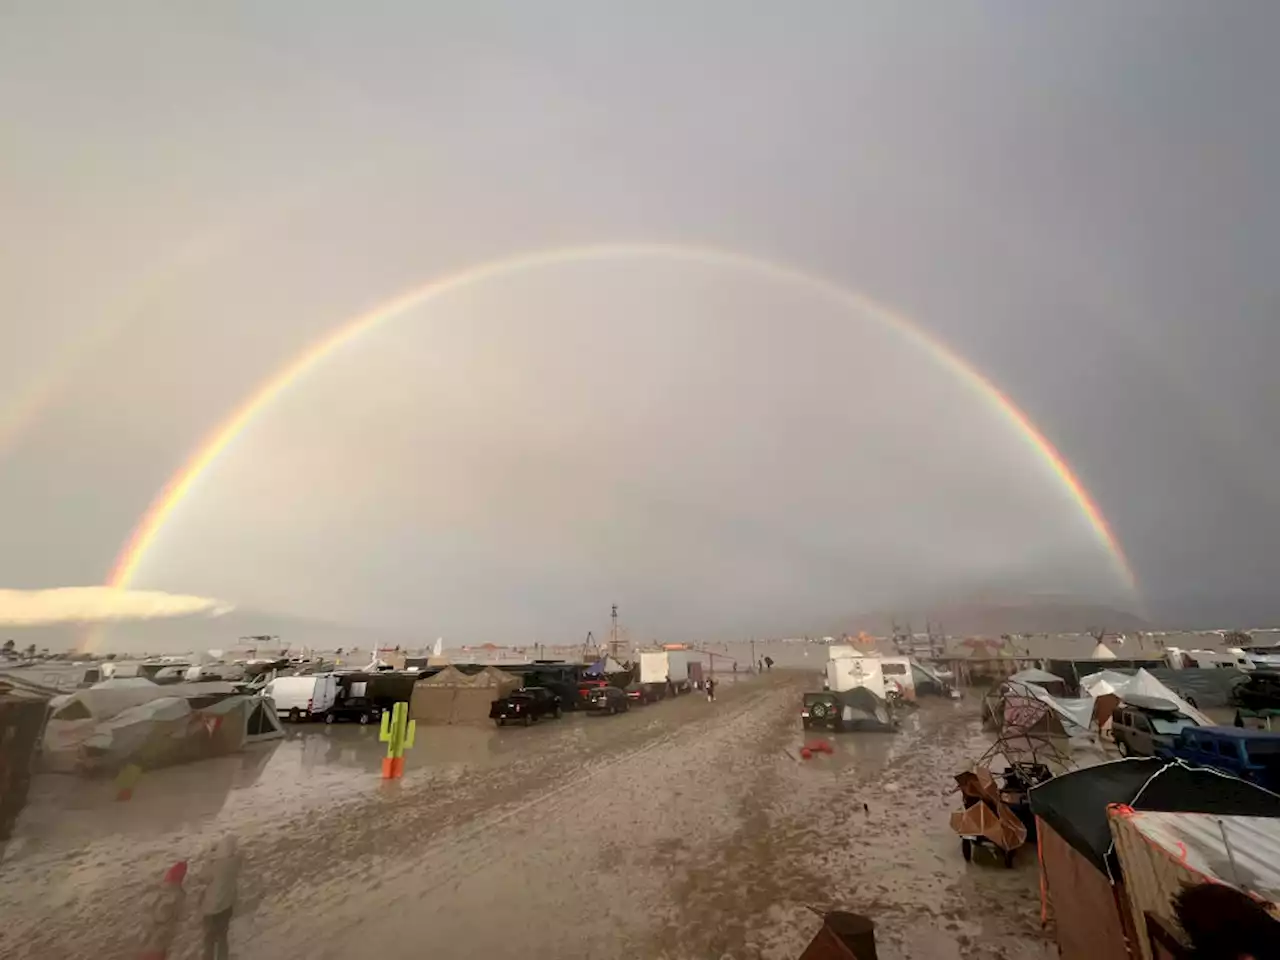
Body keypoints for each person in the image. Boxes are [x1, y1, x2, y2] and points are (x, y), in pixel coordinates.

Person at [197, 834, 241, 960]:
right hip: (227, 906)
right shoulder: (235, 862)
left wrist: (209, 857)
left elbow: (202, 878)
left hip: (212, 908)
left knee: (209, 939)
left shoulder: (215, 866)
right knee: (222, 937)